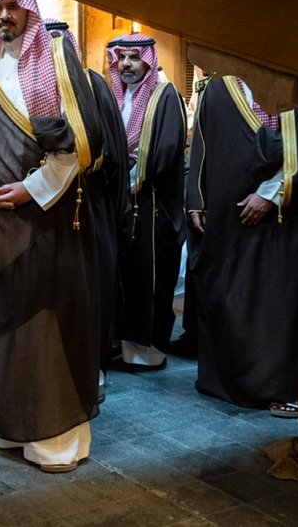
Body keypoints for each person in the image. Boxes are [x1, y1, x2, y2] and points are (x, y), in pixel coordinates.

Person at [0, 0, 119, 473]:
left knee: (45, 328)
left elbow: (81, 145)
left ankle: (54, 440)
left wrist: (32, 189)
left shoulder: (57, 59)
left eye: (13, 6)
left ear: (29, 8)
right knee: (1, 329)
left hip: (47, 223)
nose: (4, 16)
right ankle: (6, 426)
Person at [186, 75, 298, 418]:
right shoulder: (217, 87)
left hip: (286, 221)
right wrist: (197, 200)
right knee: (231, 296)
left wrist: (270, 193)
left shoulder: (294, 85)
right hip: (228, 217)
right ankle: (232, 380)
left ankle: (282, 386)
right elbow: (202, 143)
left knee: (279, 306)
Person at [104, 34, 186, 371]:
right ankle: (125, 348)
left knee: (149, 280)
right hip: (123, 206)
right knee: (125, 278)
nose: (126, 64)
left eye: (134, 58)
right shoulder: (118, 96)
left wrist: (129, 176)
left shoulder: (165, 96)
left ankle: (148, 355)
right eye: (121, 57)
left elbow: (164, 152)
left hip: (152, 206)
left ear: (148, 62)